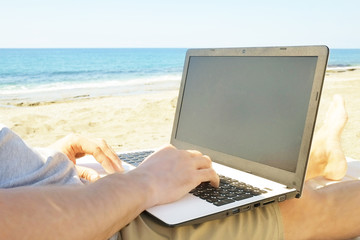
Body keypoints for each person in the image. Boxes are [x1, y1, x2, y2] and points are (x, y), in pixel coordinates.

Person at [0, 94, 358, 240]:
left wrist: (46, 160)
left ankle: (319, 158)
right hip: (99, 224)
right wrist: (143, 183)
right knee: (303, 207)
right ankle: (318, 163)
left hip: (76, 199)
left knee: (205, 169)